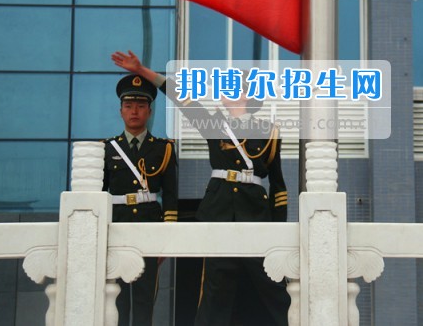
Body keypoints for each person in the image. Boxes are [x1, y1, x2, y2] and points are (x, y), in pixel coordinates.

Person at [111, 50, 290, 326]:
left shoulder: (269, 131)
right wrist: (142, 70)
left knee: (274, 285)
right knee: (214, 292)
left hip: (256, 216)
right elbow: (180, 97)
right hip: (218, 214)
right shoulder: (213, 123)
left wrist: (279, 231)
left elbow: (278, 188)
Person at [104, 74, 178, 326]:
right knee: (118, 299)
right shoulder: (107, 149)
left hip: (149, 229)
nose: (134, 111)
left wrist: (165, 240)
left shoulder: (164, 148)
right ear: (121, 111)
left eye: (140, 106)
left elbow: (170, 196)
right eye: (128, 106)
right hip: (117, 229)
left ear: (149, 111)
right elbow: (100, 195)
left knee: (146, 298)